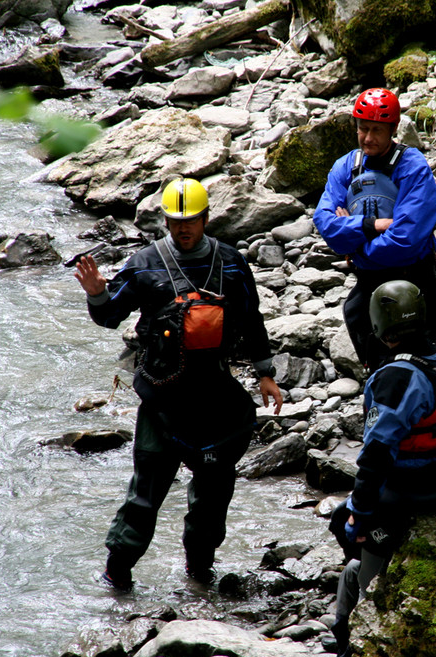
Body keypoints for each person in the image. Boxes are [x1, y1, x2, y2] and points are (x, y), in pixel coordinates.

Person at [74, 177, 283, 591]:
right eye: (174, 222)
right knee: (144, 496)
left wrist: (264, 372)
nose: (182, 229)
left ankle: (199, 572)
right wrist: (98, 294)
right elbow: (109, 315)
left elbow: (252, 318)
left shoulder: (232, 263)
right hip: (162, 400)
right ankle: (117, 574)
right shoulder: (144, 263)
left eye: (190, 222)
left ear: (206, 219)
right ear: (165, 222)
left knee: (213, 494)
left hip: (216, 399)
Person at [325, 280, 436, 657]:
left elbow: (376, 454)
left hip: (406, 489)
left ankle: (353, 636)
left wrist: (360, 507)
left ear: (378, 324)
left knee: (344, 521)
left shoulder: (397, 377)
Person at [314, 87, 436, 372]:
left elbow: (405, 242)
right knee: (377, 361)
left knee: (425, 365)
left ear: (392, 129)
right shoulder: (346, 166)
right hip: (369, 285)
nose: (368, 138)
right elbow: (326, 224)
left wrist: (354, 245)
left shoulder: (412, 166)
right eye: (362, 129)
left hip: (416, 282)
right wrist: (371, 225)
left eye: (377, 130)